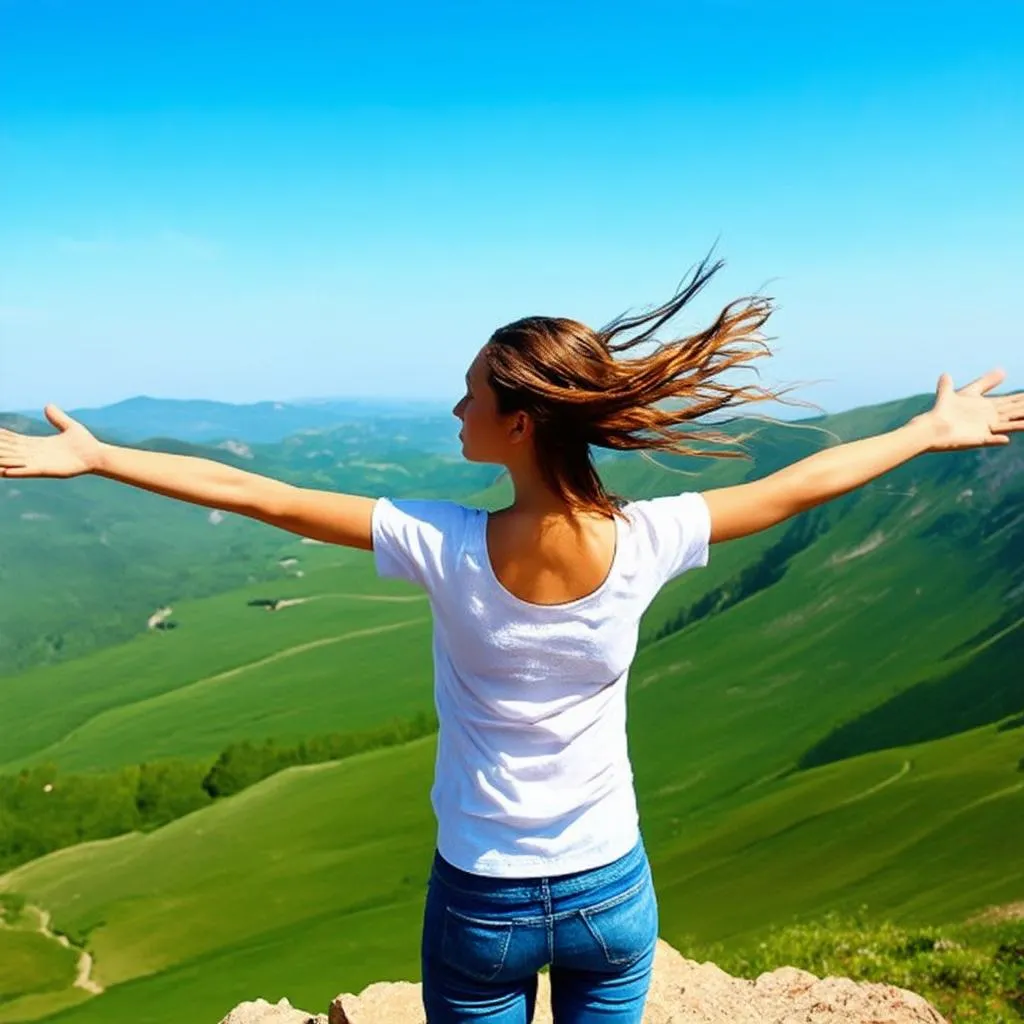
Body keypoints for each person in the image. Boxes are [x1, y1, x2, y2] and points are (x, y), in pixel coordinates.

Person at [1, 255, 1020, 1024]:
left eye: (472, 396)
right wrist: (927, 430)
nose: (455, 409)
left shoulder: (444, 543)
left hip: (481, 893)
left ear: (521, 424)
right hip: (610, 889)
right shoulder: (649, 538)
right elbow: (795, 485)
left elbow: (267, 497)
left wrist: (95, 457)